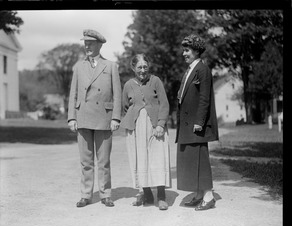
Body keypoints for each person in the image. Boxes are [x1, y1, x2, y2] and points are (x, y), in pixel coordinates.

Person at [67, 29, 122, 208]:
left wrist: (115, 118)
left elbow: (117, 95)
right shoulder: (78, 66)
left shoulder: (111, 66)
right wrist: (71, 118)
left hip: (104, 118)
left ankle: (106, 194)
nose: (87, 46)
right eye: (85, 43)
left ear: (100, 44)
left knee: (104, 161)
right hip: (82, 117)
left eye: (90, 43)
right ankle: (85, 195)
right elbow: (73, 94)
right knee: (86, 161)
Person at [120, 54, 171, 210]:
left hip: (155, 126)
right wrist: (132, 119)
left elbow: (164, 104)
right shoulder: (128, 85)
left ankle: (161, 196)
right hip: (135, 128)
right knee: (140, 160)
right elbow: (125, 107)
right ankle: (147, 195)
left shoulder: (155, 81)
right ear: (133, 68)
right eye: (139, 67)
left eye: (145, 67)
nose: (142, 70)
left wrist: (161, 124)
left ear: (149, 67)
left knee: (158, 159)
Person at [175, 34, 219, 211]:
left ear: (196, 51)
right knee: (191, 160)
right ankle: (199, 194)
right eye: (184, 50)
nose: (184, 53)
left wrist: (200, 121)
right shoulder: (189, 70)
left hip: (196, 124)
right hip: (187, 124)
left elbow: (204, 99)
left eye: (187, 50)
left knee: (200, 159)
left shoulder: (203, 69)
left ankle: (209, 196)